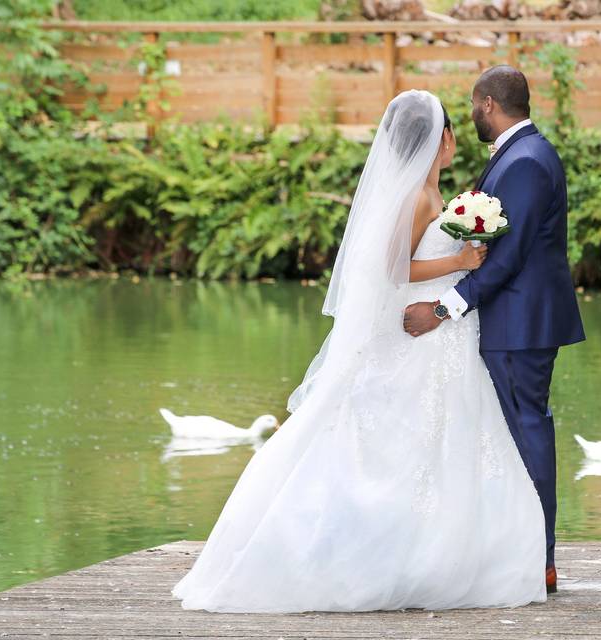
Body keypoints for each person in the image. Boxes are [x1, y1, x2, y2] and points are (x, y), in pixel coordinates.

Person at [170, 89, 547, 612]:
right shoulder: (417, 197)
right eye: (449, 130)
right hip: (419, 327)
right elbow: (392, 269)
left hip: (442, 335)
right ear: (443, 139)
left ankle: (430, 555)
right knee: (399, 441)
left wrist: (459, 253)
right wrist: (460, 261)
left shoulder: (434, 196)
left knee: (443, 439)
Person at [403, 66, 586, 593]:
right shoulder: (520, 154)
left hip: (520, 324)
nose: (468, 115)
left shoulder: (526, 160)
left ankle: (539, 558)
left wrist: (442, 309)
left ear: (487, 104)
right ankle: (516, 552)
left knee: (527, 433)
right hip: (513, 320)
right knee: (508, 437)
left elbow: (508, 259)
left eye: (471, 105)